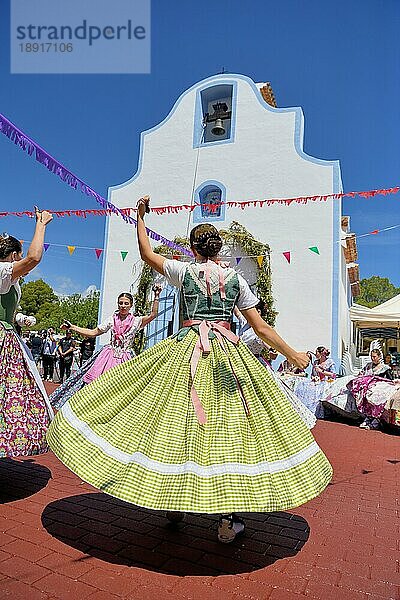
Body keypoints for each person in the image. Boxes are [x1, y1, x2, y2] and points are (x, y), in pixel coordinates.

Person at [47, 197, 332, 544]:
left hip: (186, 350)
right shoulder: (236, 280)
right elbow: (262, 329)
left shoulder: (185, 271)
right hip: (229, 358)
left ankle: (174, 501)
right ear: (217, 248)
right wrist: (294, 354)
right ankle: (227, 519)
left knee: (176, 422)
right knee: (229, 431)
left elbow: (147, 255)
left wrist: (139, 218)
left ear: (193, 248)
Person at [0, 208, 54, 458]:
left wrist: (20, 318)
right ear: (12, 256)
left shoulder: (8, 279)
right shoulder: (2, 271)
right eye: (17, 256)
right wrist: (41, 224)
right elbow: (33, 258)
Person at [50, 289, 161, 409]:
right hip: (108, 357)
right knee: (95, 386)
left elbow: (153, 315)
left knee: (124, 389)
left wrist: (156, 295)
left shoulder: (136, 321)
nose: (123, 306)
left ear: (131, 305)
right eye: (120, 303)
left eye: (126, 303)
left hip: (126, 358)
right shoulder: (111, 319)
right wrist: (72, 327)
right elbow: (92, 333)